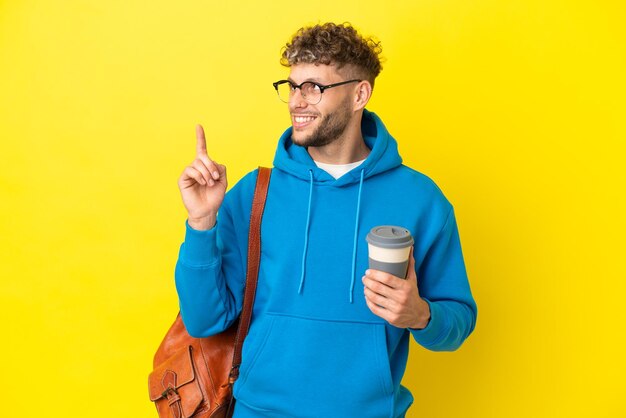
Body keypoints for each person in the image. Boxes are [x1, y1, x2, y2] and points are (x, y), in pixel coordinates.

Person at [175, 22, 477, 418]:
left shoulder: (421, 199)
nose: (297, 101)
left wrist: (421, 315)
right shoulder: (255, 194)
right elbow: (203, 319)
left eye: (314, 87)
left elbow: (458, 321)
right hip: (258, 410)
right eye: (292, 86)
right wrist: (201, 222)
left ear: (359, 94)